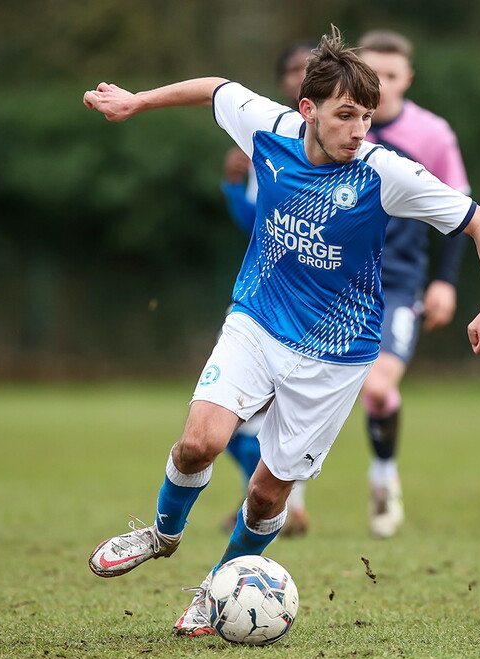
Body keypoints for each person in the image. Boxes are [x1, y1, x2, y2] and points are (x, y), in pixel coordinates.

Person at [83, 26, 480, 638]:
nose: (360, 130)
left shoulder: (384, 172)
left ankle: (217, 588)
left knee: (265, 495)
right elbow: (214, 89)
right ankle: (161, 533)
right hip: (256, 320)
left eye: (367, 116)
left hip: (335, 355)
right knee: (199, 443)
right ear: (307, 110)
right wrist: (136, 101)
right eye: (345, 115)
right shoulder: (271, 127)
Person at [223, 30, 474, 539]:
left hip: (397, 283)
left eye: (391, 77)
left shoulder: (429, 135)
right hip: (315, 286)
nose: (375, 94)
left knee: (378, 391)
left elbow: (463, 212)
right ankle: (285, 499)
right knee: (261, 396)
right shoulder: (302, 134)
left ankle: (383, 479)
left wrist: (445, 282)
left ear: (406, 80)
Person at [219, 40, 317, 536]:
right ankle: (277, 505)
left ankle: (278, 506)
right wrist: (233, 188)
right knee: (240, 418)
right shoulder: (269, 135)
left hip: (313, 305)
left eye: (312, 68)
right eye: (296, 70)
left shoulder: (350, 140)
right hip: (268, 292)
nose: (303, 75)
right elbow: (256, 224)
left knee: (261, 416)